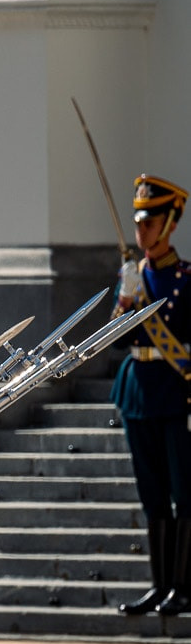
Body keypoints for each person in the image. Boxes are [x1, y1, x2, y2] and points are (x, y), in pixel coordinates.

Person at [109, 176, 190, 617]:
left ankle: (182, 584)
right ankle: (159, 586)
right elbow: (117, 342)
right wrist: (125, 302)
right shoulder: (133, 276)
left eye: (151, 223)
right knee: (153, 495)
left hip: (178, 392)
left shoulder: (186, 278)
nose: (142, 232)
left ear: (171, 223)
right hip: (138, 392)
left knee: (184, 492)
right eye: (139, 224)